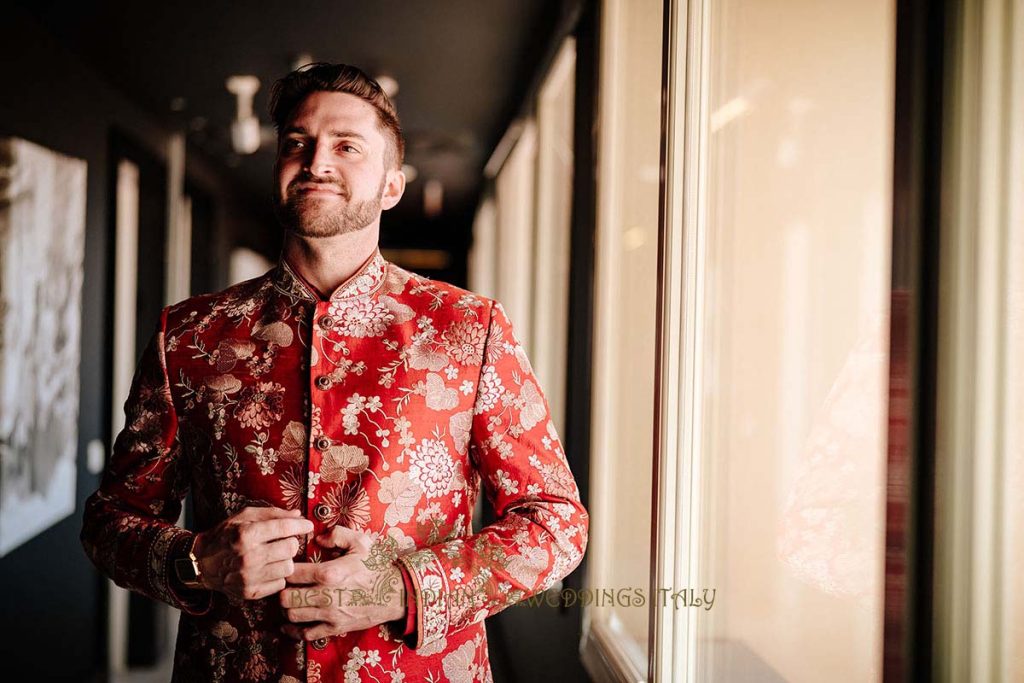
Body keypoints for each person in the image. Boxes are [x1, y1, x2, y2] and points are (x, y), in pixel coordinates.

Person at [81, 63, 589, 682]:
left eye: (347, 146)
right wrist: (195, 561)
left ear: (392, 186)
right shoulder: (187, 334)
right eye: (297, 143)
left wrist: (405, 589)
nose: (316, 161)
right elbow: (109, 521)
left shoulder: (470, 328)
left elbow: (555, 522)